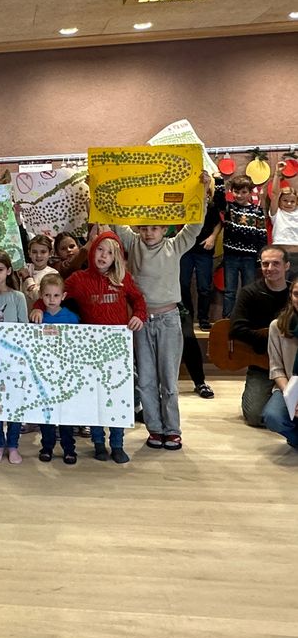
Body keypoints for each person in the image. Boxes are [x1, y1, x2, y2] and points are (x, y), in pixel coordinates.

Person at [31, 231, 146, 463]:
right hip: (90, 350)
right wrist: (38, 307)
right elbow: (54, 294)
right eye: (100, 250)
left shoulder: (123, 279)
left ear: (116, 257)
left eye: (110, 253)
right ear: (92, 251)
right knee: (95, 398)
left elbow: (138, 300)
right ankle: (98, 442)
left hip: (116, 349)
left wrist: (140, 316)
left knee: (116, 398)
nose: (104, 256)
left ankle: (117, 443)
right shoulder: (78, 279)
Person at [112, 186, 206, 452]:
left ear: (164, 229)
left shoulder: (175, 246)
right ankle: (154, 428)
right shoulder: (132, 243)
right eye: (143, 228)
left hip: (168, 319)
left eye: (154, 228)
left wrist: (203, 192)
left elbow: (195, 225)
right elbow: (117, 221)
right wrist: (102, 189)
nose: (148, 233)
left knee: (168, 378)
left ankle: (172, 430)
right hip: (140, 320)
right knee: (146, 379)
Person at [229, 245, 292, 427]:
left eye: (275, 263)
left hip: (292, 363)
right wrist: (273, 342)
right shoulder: (249, 293)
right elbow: (236, 328)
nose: (270, 269)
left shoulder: (294, 294)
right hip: (262, 362)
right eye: (265, 264)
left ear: (286, 266)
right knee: (255, 417)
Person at [0, 249, 28, 463]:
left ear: (8, 271)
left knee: (15, 402)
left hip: (14, 359)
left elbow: (24, 328)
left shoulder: (17, 297)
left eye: (0, 269)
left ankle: (13, 443)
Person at [36, 274, 80, 463]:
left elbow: (78, 344)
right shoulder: (38, 317)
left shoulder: (72, 318)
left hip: (66, 374)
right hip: (44, 374)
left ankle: (69, 449)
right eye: (47, 295)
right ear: (41, 295)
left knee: (65, 414)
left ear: (63, 296)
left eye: (55, 296)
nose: (51, 300)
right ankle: (47, 447)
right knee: (46, 413)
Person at [217, 174, 267, 318]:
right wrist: (220, 182)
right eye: (236, 191)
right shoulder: (229, 208)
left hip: (250, 258)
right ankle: (227, 319)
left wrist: (260, 258)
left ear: (250, 193)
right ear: (231, 191)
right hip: (231, 256)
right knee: (230, 291)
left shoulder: (257, 211)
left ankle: (247, 318)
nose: (239, 195)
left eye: (244, 192)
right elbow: (219, 202)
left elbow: (262, 236)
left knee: (249, 289)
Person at [261, 281, 298, 450]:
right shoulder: (277, 326)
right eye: (297, 294)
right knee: (273, 416)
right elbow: (276, 368)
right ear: (291, 297)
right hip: (290, 385)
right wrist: (292, 396)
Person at [179, 186, 221, 330]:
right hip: (186, 250)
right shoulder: (185, 205)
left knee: (204, 286)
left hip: (204, 250)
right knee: (183, 284)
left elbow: (219, 223)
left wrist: (213, 237)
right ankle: (188, 316)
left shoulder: (211, 206)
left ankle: (203, 318)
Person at [269, 161, 298, 275]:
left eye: (292, 201)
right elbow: (275, 193)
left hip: (296, 251)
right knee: (281, 283)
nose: (289, 203)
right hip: (280, 252)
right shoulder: (277, 213)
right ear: (280, 201)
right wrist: (277, 173)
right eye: (285, 200)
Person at [19, 234, 59, 304]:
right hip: (22, 313)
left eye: (43, 252)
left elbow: (40, 296)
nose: (38, 255)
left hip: (41, 314)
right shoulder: (25, 268)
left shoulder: (53, 274)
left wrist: (27, 278)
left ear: (50, 253)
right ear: (29, 253)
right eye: (34, 252)